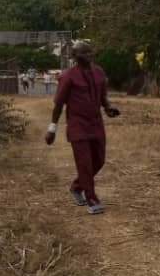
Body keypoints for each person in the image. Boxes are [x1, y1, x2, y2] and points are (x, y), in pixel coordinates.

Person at [45, 41, 120, 215]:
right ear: (74, 56)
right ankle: (92, 199)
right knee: (84, 164)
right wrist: (52, 128)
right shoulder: (68, 76)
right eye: (83, 53)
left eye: (90, 52)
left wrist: (108, 108)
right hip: (77, 126)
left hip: (96, 124)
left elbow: (103, 96)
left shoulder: (99, 72)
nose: (88, 56)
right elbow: (58, 105)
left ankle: (76, 187)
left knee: (99, 161)